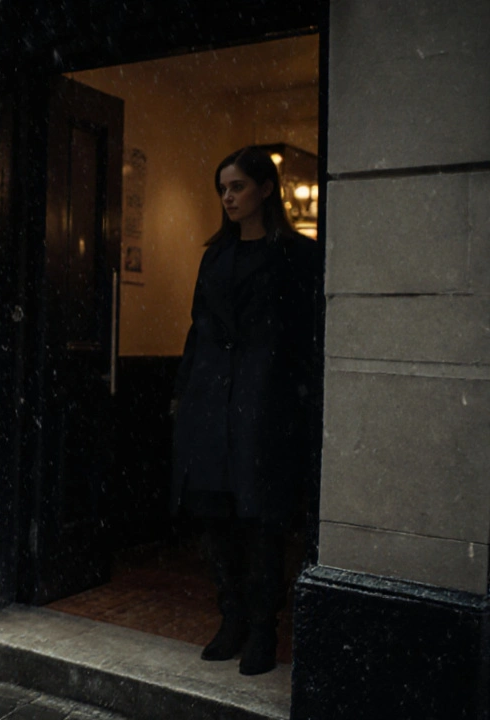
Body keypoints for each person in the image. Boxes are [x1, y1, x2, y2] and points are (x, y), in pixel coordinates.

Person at [171, 147, 321, 676]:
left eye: (236, 187)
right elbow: (199, 329)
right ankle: (230, 617)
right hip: (211, 403)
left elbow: (306, 338)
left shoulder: (298, 256)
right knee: (215, 516)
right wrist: (185, 396)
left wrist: (298, 402)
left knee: (262, 520)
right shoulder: (216, 255)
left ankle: (263, 628)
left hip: (267, 404)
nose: (228, 198)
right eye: (222, 189)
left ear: (264, 189)